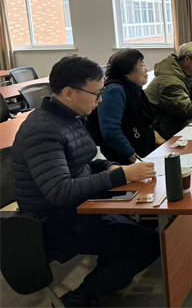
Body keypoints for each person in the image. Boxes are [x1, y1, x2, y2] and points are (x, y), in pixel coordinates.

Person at [11, 55, 159, 308]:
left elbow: (85, 160)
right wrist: (121, 175)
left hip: (81, 207)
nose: (100, 100)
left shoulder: (70, 117)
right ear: (69, 93)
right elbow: (60, 191)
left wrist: (111, 166)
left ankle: (110, 274)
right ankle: (78, 297)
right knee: (148, 243)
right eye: (96, 94)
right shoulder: (43, 131)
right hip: (53, 222)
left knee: (144, 224)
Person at [86, 48, 165, 166]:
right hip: (120, 160)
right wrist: (135, 159)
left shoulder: (135, 89)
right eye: (142, 66)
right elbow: (111, 132)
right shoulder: (114, 90)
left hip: (142, 152)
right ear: (127, 72)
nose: (146, 70)